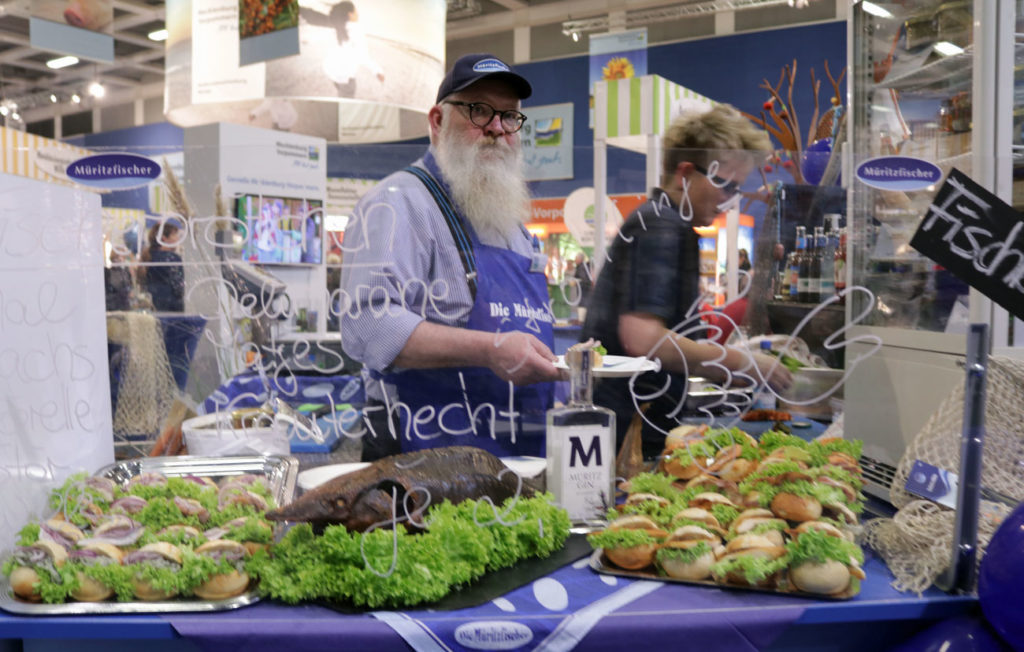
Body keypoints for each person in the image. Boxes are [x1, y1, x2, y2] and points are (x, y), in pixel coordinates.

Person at [340, 53, 562, 460]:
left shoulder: (511, 224)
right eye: (478, 111)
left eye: (510, 116)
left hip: (519, 455)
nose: (496, 128)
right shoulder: (398, 204)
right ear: (438, 122)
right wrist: (491, 348)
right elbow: (369, 324)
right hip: (422, 459)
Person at [579, 104, 793, 457]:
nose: (729, 200)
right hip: (629, 436)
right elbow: (643, 339)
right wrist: (739, 362)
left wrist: (720, 371)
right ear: (684, 174)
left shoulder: (664, 222)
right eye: (725, 186)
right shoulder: (662, 226)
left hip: (630, 427)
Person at [302, 2, 384, 98]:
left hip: (331, 71)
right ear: (350, 14)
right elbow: (363, 57)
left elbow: (320, 36)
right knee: (346, 100)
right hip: (345, 77)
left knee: (340, 88)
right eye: (356, 11)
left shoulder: (336, 27)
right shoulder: (356, 31)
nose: (358, 14)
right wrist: (377, 70)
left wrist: (308, 40)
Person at [140, 221, 185, 312]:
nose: (177, 239)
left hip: (151, 307)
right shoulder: (172, 258)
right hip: (171, 309)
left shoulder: (148, 256)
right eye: (174, 235)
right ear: (164, 239)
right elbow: (178, 287)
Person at [572, 252, 592, 322]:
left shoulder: (581, 268)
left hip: (583, 291)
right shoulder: (584, 267)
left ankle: (581, 320)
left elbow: (583, 279)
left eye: (576, 258)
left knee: (582, 304)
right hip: (585, 291)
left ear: (580, 259)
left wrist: (576, 282)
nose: (575, 260)